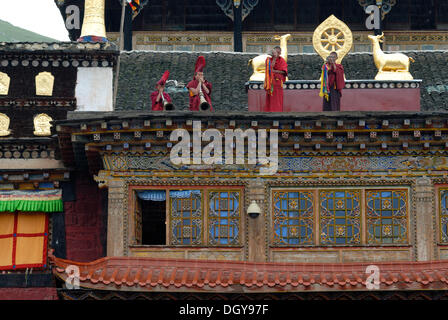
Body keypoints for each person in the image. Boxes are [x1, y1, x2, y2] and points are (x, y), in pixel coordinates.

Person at [264, 46, 288, 112]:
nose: (276, 53)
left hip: (278, 82)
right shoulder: (268, 59)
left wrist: (275, 71)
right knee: (270, 98)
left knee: (277, 99)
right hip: (270, 82)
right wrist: (274, 58)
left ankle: (278, 112)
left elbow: (284, 71)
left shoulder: (282, 60)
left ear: (280, 53)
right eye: (274, 52)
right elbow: (269, 69)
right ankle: (269, 112)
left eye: (277, 52)